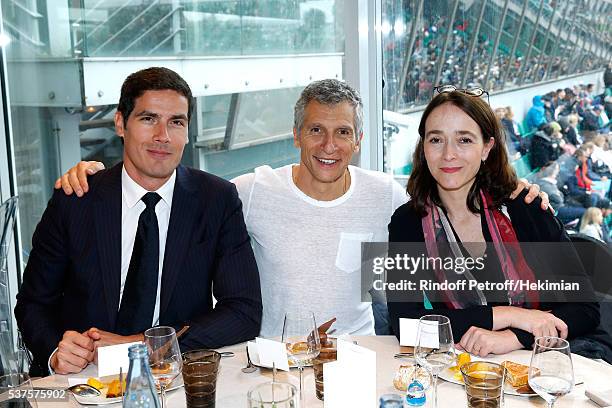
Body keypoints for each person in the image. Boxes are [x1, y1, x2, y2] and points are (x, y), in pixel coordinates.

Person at [55, 80, 548, 339]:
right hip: (262, 362)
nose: (328, 145)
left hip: (355, 360)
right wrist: (100, 173)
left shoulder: (390, 199)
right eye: (316, 130)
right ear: (295, 135)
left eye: (343, 132)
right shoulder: (250, 190)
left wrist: (516, 190)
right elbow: (176, 192)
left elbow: (452, 187)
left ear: (358, 140)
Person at [15, 67, 262, 376]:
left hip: (173, 374)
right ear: (121, 123)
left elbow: (244, 311)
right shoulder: (76, 200)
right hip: (84, 378)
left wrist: (142, 345)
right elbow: (33, 303)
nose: (163, 136)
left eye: (176, 122)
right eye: (148, 119)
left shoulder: (216, 199)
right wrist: (55, 352)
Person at [386, 89, 599, 357]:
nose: (448, 154)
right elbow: (406, 326)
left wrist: (514, 337)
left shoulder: (525, 206)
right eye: (436, 139)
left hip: (542, 365)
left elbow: (586, 310)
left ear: (487, 147)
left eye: (464, 139)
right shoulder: (408, 223)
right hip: (466, 369)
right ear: (424, 147)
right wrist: (508, 315)